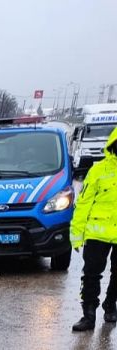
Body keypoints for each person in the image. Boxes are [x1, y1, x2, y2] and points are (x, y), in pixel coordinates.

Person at [70, 126, 117, 332]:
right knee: (91, 274)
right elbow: (83, 204)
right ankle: (88, 314)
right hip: (97, 233)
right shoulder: (98, 170)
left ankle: (110, 304)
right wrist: (76, 235)